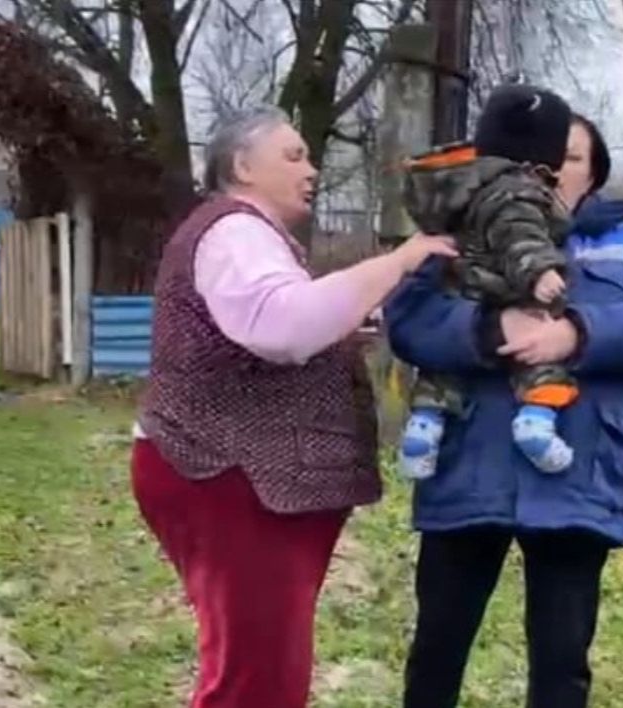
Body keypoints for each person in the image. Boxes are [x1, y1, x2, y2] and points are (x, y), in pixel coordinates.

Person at [130, 106, 454, 708]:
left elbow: (276, 322)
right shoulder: (235, 232)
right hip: (229, 474)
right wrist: (398, 261)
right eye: (293, 155)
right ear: (242, 166)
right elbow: (281, 327)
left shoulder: (253, 237)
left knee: (258, 672)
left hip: (243, 477)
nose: (312, 169)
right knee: (257, 684)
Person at [384, 111, 623, 708]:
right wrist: (488, 329)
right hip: (469, 469)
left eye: (571, 158)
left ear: (593, 175)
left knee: (561, 663)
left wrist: (578, 333)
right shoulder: (459, 232)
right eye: (540, 158)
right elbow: (409, 321)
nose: (550, 170)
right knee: (436, 652)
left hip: (575, 476)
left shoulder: (619, 245)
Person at [397, 84, 579, 481]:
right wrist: (541, 272)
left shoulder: (460, 190)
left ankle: (424, 425)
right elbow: (520, 235)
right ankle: (536, 422)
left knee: (443, 370)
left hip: (462, 290)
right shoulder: (517, 192)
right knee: (541, 360)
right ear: (542, 161)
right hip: (507, 288)